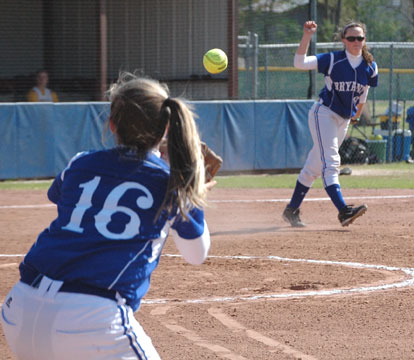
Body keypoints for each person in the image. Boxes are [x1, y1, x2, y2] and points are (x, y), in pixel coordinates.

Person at [1, 72, 214, 359]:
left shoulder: (80, 163)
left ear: (112, 124)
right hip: (94, 320)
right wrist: (191, 191)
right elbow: (196, 254)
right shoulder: (169, 182)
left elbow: (61, 197)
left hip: (20, 309)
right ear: (165, 129)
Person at [283, 21, 378, 227]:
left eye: (359, 38)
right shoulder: (333, 59)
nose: (355, 41)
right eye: (351, 38)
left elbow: (363, 94)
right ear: (343, 40)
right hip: (323, 114)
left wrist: (356, 116)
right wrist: (307, 36)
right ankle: (343, 211)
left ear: (364, 40)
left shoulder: (370, 65)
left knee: (314, 167)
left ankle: (291, 210)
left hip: (343, 120)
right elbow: (299, 63)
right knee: (331, 162)